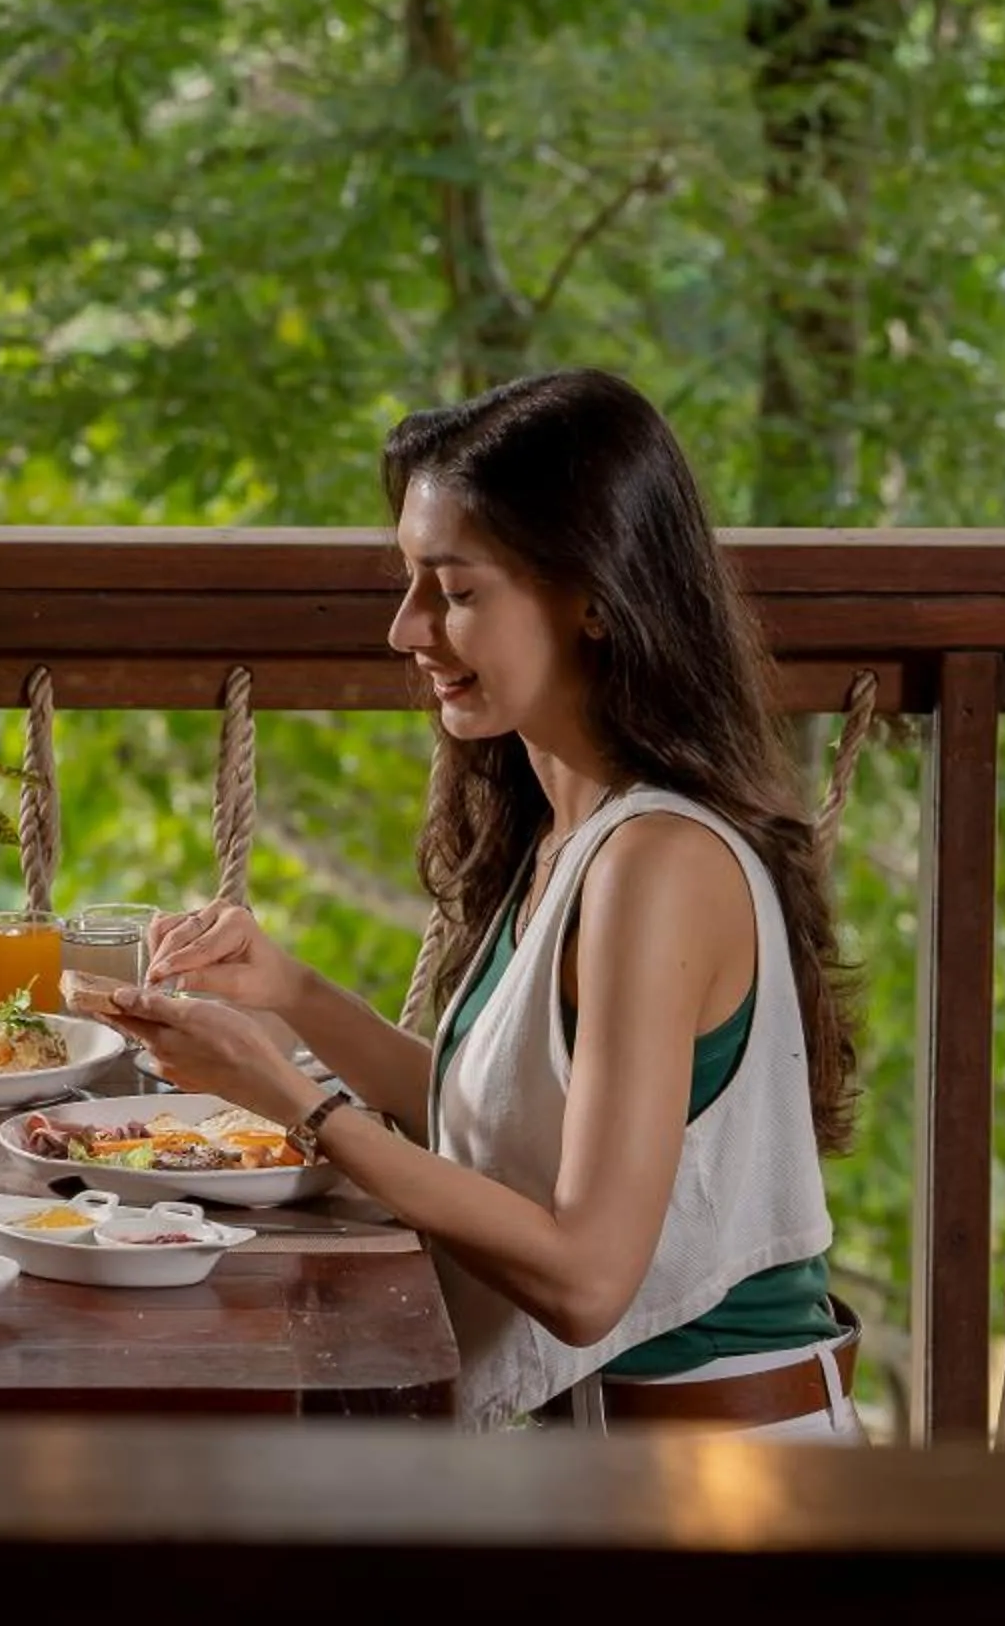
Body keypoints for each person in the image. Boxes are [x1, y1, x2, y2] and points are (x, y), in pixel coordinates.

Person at [106, 368, 863, 1437]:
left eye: (455, 592)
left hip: (715, 1478)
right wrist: (291, 992)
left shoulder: (659, 864)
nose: (404, 629)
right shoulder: (571, 829)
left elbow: (585, 1281)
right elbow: (510, 1134)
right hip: (601, 1452)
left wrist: (296, 1101)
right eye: (411, 583)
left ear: (594, 598)